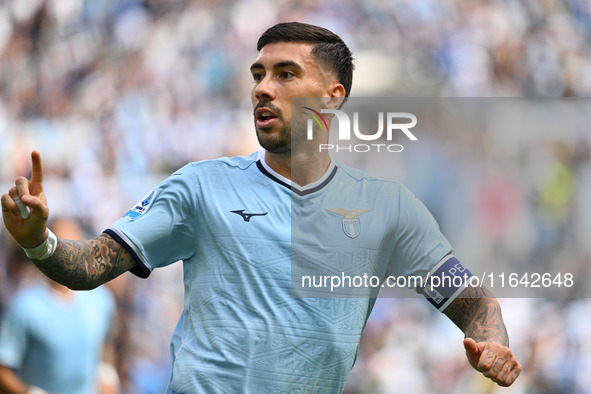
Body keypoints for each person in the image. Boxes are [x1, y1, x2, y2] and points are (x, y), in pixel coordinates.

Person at [1, 22, 520, 392]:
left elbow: (475, 303)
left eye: (286, 74)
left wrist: (491, 344)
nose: (262, 88)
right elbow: (88, 266)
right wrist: (36, 240)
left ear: (333, 97)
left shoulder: (387, 208)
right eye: (258, 74)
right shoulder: (200, 187)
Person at [0, 217, 118, 394]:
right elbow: (3, 368)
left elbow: (105, 344)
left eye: (75, 244)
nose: (70, 254)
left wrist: (107, 374)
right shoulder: (24, 306)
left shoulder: (102, 300)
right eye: (62, 246)